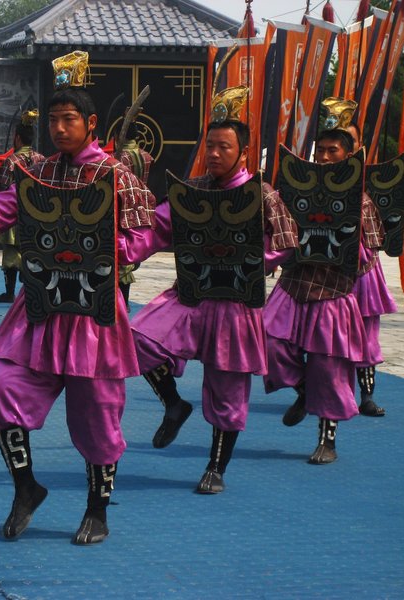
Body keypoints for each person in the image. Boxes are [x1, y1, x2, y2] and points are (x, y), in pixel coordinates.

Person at [0, 50, 155, 545]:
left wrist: (105, 250)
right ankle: (25, 486)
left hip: (95, 313)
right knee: (3, 392)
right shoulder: (38, 171)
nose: (58, 128)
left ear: (91, 123)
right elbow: (4, 207)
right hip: (40, 308)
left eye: (68, 119)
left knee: (98, 415)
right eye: (53, 119)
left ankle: (97, 509)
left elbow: (146, 231)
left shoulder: (117, 175)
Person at [126, 86, 298, 493]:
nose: (215, 154)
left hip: (237, 303)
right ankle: (173, 402)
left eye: (224, 146)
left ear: (243, 153)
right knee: (135, 338)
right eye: (211, 146)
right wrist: (123, 252)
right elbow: (156, 228)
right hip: (190, 293)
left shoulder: (263, 194)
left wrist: (259, 261)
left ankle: (215, 466)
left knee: (227, 390)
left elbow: (287, 241)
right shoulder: (192, 190)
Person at [264, 97, 384, 464]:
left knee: (329, 367)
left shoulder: (360, 202)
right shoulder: (292, 195)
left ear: (350, 156)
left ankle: (327, 440)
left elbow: (369, 254)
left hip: (333, 292)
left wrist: (344, 244)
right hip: (294, 284)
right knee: (266, 341)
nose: (325, 157)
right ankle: (302, 388)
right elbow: (277, 235)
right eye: (322, 150)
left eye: (333, 150)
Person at [347, 120, 395, 416]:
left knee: (366, 336)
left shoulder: (369, 183)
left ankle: (366, 395)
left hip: (363, 275)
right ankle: (313, 389)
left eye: (349, 144)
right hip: (323, 275)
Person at [0, 108, 44, 302]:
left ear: (18, 138)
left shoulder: (11, 161)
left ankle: (9, 292)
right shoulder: (41, 160)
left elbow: (3, 187)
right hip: (36, 214)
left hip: (14, 214)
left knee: (11, 254)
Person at [113, 120, 153, 311]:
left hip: (123, 206)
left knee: (121, 253)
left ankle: (122, 301)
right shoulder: (145, 156)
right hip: (141, 205)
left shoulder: (121, 157)